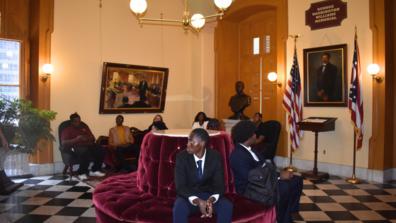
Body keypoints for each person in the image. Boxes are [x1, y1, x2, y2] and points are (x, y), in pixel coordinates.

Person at [229, 120, 303, 223]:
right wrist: (278, 177)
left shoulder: (251, 149)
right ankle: (282, 218)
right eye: (254, 134)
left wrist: (279, 174)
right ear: (248, 137)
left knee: (297, 180)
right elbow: (251, 177)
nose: (256, 136)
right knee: (284, 187)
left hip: (262, 182)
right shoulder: (238, 156)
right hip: (250, 190)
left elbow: (265, 168)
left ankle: (291, 212)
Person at [173, 128, 233, 223]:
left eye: (192, 142)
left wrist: (211, 200)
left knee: (227, 206)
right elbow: (180, 186)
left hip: (209, 195)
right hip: (189, 196)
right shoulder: (182, 157)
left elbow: (219, 184)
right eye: (188, 141)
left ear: (202, 143)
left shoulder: (215, 156)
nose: (188, 145)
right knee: (179, 208)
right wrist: (198, 201)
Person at [61, 113, 105, 180]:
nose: (78, 123)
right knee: (85, 152)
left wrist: (86, 138)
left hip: (88, 144)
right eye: (76, 121)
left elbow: (93, 138)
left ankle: (95, 170)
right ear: (72, 122)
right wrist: (76, 139)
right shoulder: (67, 130)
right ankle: (81, 172)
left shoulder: (84, 127)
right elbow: (64, 143)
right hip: (76, 146)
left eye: (79, 121)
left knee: (100, 150)